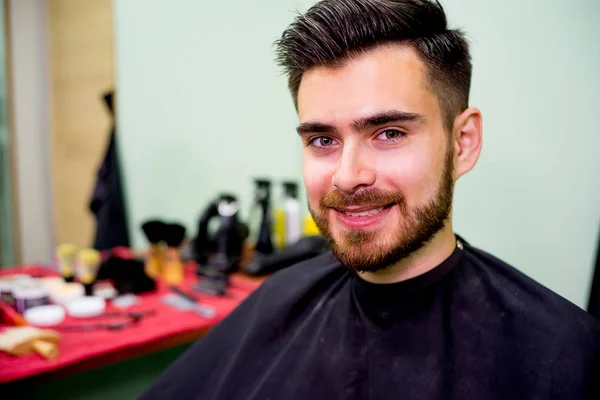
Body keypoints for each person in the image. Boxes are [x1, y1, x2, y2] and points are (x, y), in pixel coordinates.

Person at [141, 1, 600, 399]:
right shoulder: (278, 298)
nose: (347, 176)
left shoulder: (563, 354)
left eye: (390, 133)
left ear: (462, 142)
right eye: (322, 140)